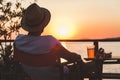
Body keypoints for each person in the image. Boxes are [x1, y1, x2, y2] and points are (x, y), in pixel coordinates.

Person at [13, 3, 96, 80]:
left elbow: (17, 63)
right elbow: (70, 56)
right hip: (56, 76)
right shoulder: (49, 42)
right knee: (86, 68)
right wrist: (78, 57)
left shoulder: (18, 42)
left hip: (31, 76)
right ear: (43, 26)